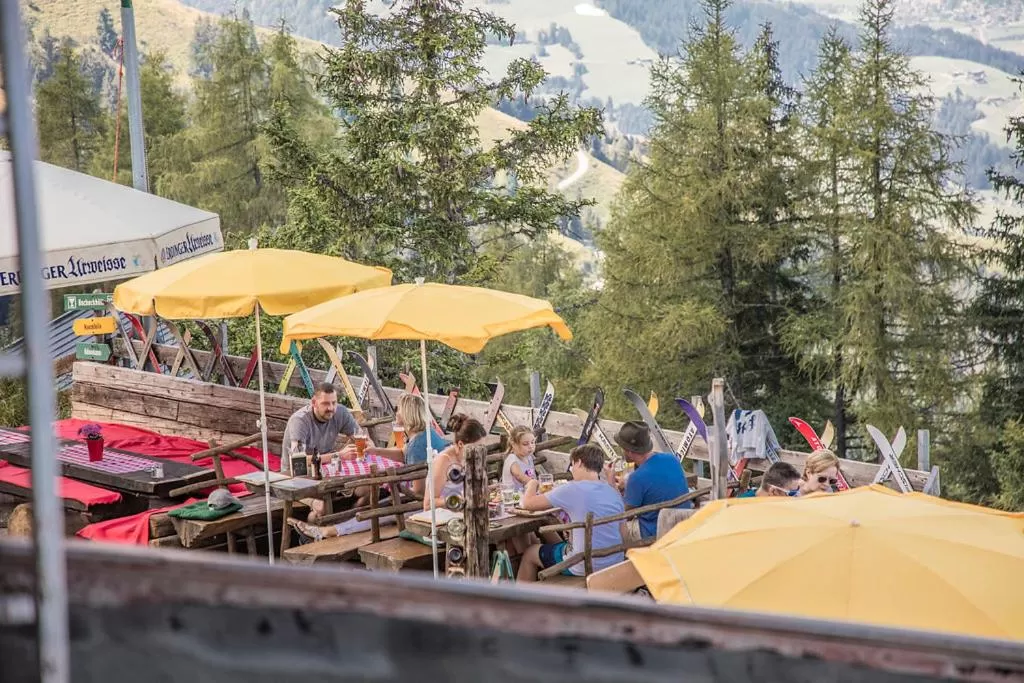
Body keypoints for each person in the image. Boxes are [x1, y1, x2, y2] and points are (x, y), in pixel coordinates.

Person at [517, 444, 625, 582]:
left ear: (579, 462)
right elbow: (624, 534)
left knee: (530, 553)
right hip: (614, 560)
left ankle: (517, 601)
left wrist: (532, 483)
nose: (571, 469)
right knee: (560, 542)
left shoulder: (571, 488)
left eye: (572, 465)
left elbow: (527, 504)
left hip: (584, 564)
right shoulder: (613, 492)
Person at [609, 421, 690, 541]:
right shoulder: (672, 459)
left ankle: (621, 556)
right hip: (682, 524)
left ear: (629, 451)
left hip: (656, 533)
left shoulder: (637, 478)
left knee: (614, 527)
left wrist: (611, 483)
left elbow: (623, 514)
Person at [367, 393, 447, 497]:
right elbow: (402, 453)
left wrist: (394, 490)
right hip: (444, 486)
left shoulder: (417, 446)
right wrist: (376, 451)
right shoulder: (425, 432)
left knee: (382, 491)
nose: (396, 413)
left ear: (407, 413)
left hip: (433, 497)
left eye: (399, 409)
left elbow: (419, 492)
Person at [280, 382, 359, 474]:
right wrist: (339, 455)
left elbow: (361, 437)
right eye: (325, 403)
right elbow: (298, 461)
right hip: (297, 474)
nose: (331, 408)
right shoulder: (300, 420)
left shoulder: (341, 412)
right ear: (314, 403)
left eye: (334, 403)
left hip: (327, 468)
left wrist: (365, 446)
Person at [424, 414, 487, 512]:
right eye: (475, 448)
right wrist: (457, 499)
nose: (479, 452)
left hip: (463, 511)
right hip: (443, 516)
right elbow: (428, 504)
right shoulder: (444, 461)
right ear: (461, 444)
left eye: (482, 448)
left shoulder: (471, 459)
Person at [736, 461, 802, 498]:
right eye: (792, 494)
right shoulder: (744, 510)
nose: (796, 498)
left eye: (798, 491)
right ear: (773, 491)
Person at [501, 426, 537, 492]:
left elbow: (531, 475)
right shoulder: (512, 459)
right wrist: (537, 484)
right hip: (512, 497)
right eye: (525, 444)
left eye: (532, 442)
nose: (530, 446)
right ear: (514, 444)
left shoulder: (529, 457)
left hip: (525, 495)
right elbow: (520, 477)